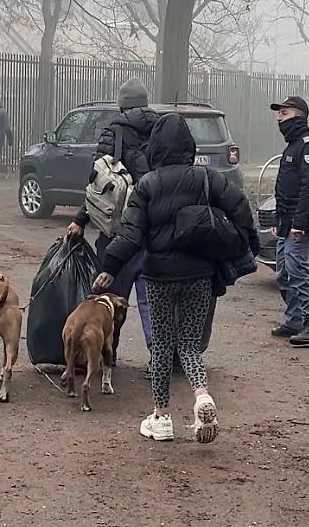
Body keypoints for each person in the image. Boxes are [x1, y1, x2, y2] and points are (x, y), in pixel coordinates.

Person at [94, 114, 255, 444]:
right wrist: (245, 241)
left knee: (163, 347)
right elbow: (239, 205)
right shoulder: (206, 179)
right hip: (200, 273)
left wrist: (109, 267)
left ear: (156, 148)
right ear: (189, 148)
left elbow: (130, 236)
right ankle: (201, 397)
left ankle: (162, 417)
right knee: (190, 345)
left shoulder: (147, 186)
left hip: (159, 277)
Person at [66, 78, 161, 356]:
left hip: (118, 230)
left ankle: (107, 354)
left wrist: (80, 220)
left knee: (110, 295)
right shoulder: (162, 131)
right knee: (150, 298)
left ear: (122, 105)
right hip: (153, 231)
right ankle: (159, 356)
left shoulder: (114, 132)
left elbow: (99, 185)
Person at [269, 95, 309, 347]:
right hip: (286, 223)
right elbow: (285, 188)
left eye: (285, 113)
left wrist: (299, 223)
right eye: (279, 113)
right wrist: (279, 221)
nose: (279, 118)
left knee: (296, 270)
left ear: (299, 115)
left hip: (298, 225)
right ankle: (294, 319)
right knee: (283, 273)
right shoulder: (292, 146)